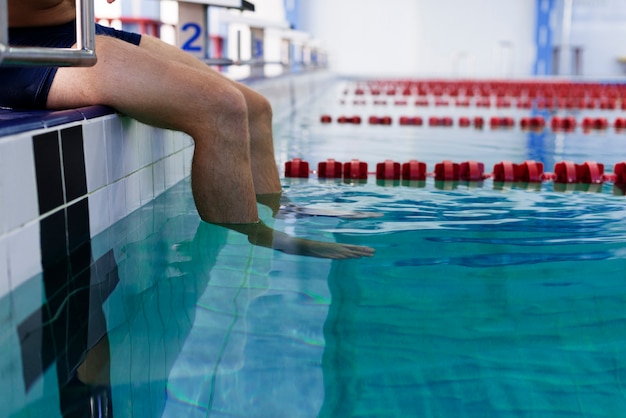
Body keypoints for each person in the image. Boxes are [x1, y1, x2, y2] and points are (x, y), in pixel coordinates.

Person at [2, 0, 376, 259]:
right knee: (220, 108)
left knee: (255, 108)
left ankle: (278, 207)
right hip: (19, 47)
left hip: (77, 29)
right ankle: (256, 235)